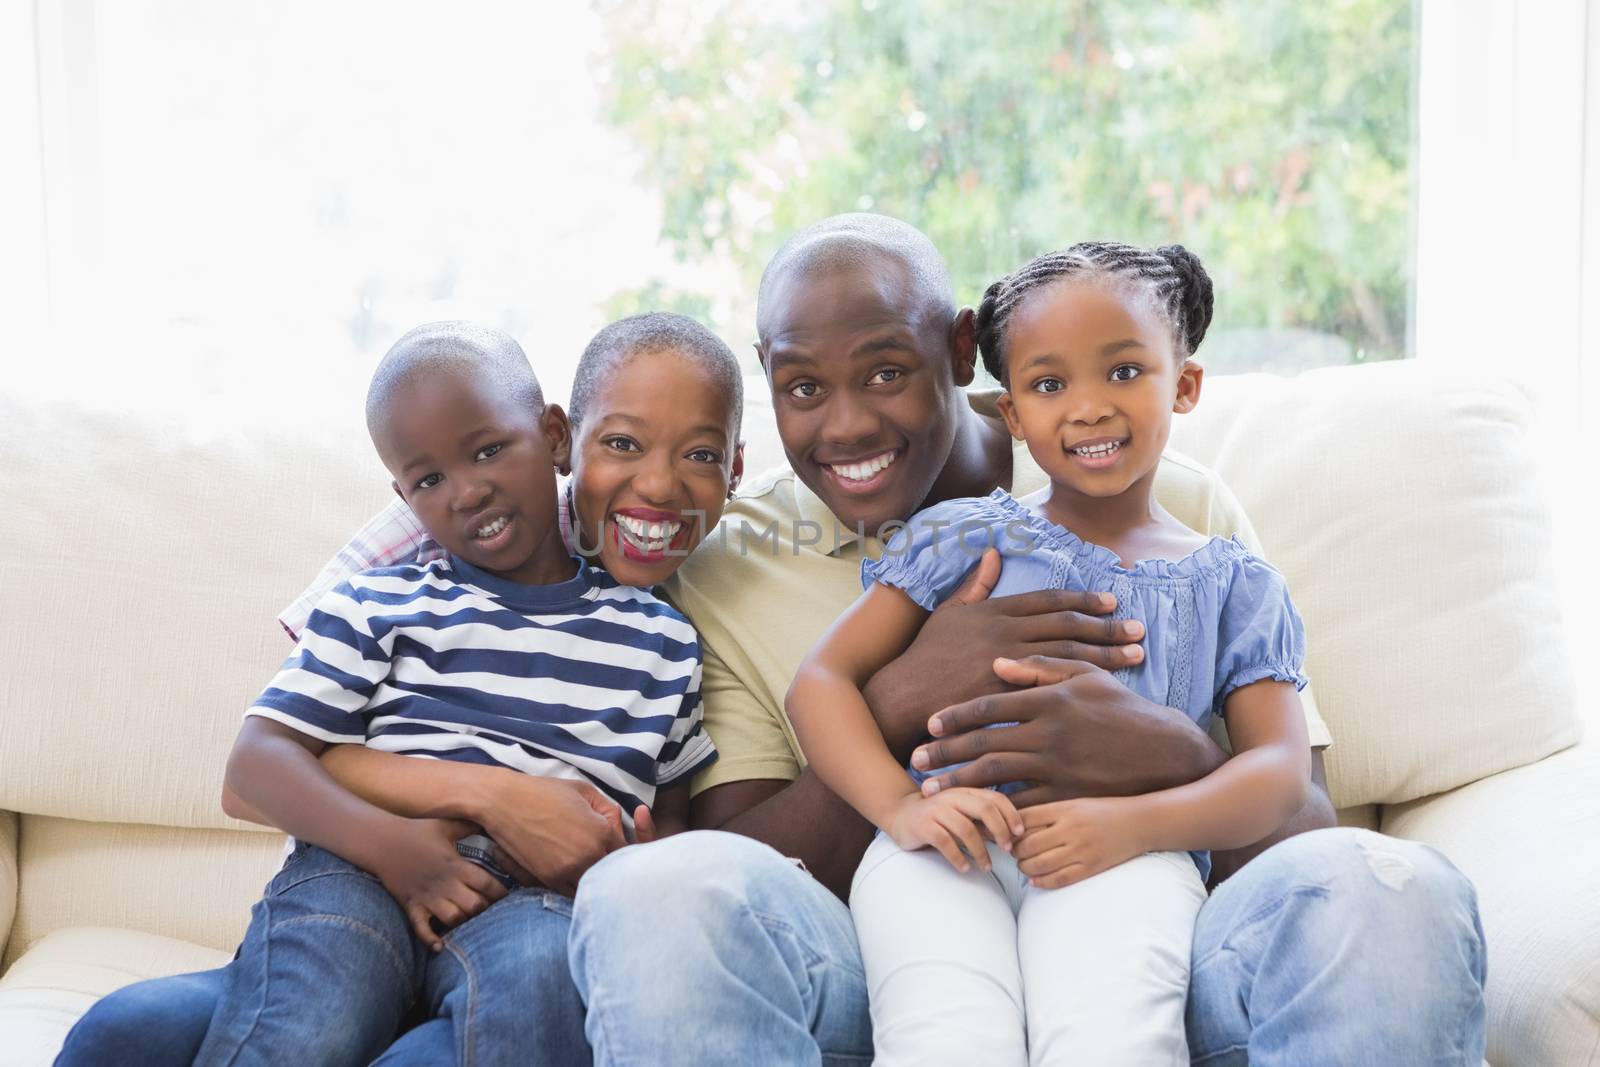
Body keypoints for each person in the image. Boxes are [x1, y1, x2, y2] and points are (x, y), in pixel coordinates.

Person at [564, 215, 1487, 1067]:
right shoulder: (730, 558)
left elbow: (1302, 827)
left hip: (1146, 921)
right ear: (769, 375)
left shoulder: (1193, 525)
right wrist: (901, 699)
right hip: (889, 938)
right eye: (804, 387)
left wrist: (1166, 753)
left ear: (964, 354)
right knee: (656, 890)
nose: (846, 424)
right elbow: (743, 866)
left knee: (1391, 885)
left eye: (887, 372)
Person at [54, 314, 746, 1067]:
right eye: (430, 479)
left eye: (488, 451)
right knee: (295, 1020)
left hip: (535, 908)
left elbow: (666, 817)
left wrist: (631, 857)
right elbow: (254, 766)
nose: (470, 490)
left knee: (543, 983)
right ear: (403, 493)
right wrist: (397, 851)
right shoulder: (381, 600)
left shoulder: (664, 641)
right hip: (364, 871)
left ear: (551, 438)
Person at [787, 241, 1313, 1064]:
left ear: (1186, 384)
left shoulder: (1235, 584)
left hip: (1125, 850)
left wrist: (1136, 824)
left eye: (1125, 372)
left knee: (1113, 1038)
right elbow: (821, 682)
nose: (1089, 407)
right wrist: (902, 807)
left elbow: (1280, 773)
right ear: (1012, 416)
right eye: (1049, 384)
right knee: (943, 1037)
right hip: (944, 845)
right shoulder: (965, 533)